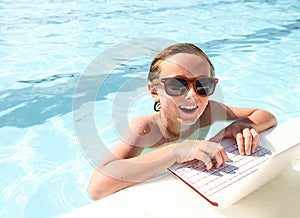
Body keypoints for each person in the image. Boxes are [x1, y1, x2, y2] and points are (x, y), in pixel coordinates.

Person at [88, 43, 277, 200]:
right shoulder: (144, 128)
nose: (192, 96)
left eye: (203, 85)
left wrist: (240, 126)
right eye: (177, 85)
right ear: (154, 91)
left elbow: (265, 115)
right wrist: (175, 152)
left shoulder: (208, 112)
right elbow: (97, 188)